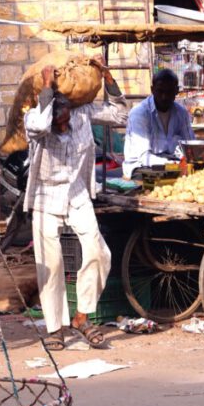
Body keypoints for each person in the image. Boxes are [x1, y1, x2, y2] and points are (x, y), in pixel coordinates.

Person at [26, 63, 128, 351]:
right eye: (56, 117)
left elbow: (120, 113)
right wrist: (47, 86)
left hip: (77, 193)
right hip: (46, 197)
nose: (61, 123)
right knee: (51, 263)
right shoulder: (35, 118)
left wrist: (108, 77)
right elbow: (40, 125)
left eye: (64, 116)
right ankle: (55, 328)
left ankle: (81, 317)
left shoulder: (82, 114)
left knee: (98, 251)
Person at [122, 69, 194, 178]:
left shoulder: (181, 113)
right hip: (142, 167)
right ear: (152, 90)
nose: (164, 97)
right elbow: (143, 157)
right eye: (160, 91)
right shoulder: (140, 113)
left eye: (169, 92)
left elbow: (190, 147)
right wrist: (172, 165)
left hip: (173, 166)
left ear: (176, 91)